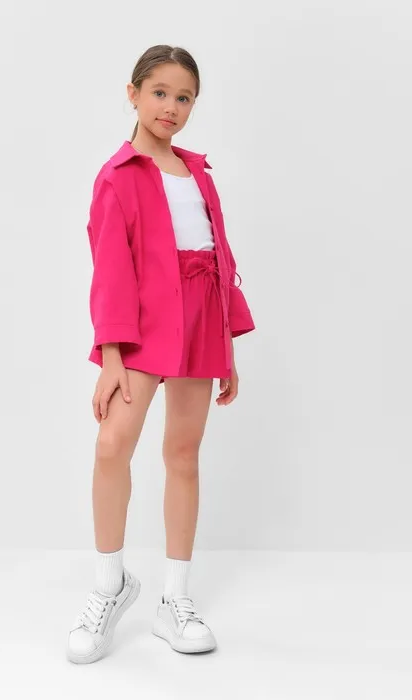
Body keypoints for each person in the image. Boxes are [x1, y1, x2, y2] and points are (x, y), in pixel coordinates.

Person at [67, 44, 255, 665]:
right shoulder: (118, 176)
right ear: (133, 94)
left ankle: (176, 600)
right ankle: (110, 585)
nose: (171, 107)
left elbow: (220, 257)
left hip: (202, 319)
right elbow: (110, 268)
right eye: (160, 93)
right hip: (144, 323)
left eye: (184, 97)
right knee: (112, 445)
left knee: (183, 453)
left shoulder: (199, 173)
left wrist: (227, 341)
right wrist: (112, 354)